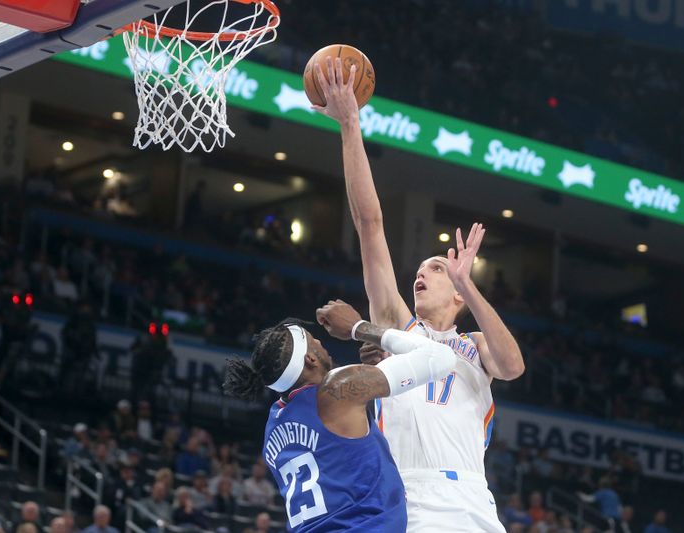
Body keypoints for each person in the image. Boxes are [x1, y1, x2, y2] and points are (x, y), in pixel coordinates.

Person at [314, 58, 525, 532]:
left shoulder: (476, 344)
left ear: (458, 294)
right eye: (420, 270)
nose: (421, 275)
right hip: (411, 493)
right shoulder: (397, 327)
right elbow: (370, 225)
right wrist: (351, 125)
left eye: (436, 268)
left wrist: (471, 287)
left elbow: (513, 367)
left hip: (473, 497)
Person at [224, 309, 456, 531]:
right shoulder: (338, 388)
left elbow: (343, 453)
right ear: (310, 359)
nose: (322, 344)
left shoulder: (273, 426)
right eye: (315, 341)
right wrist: (359, 328)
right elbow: (441, 357)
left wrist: (370, 375)